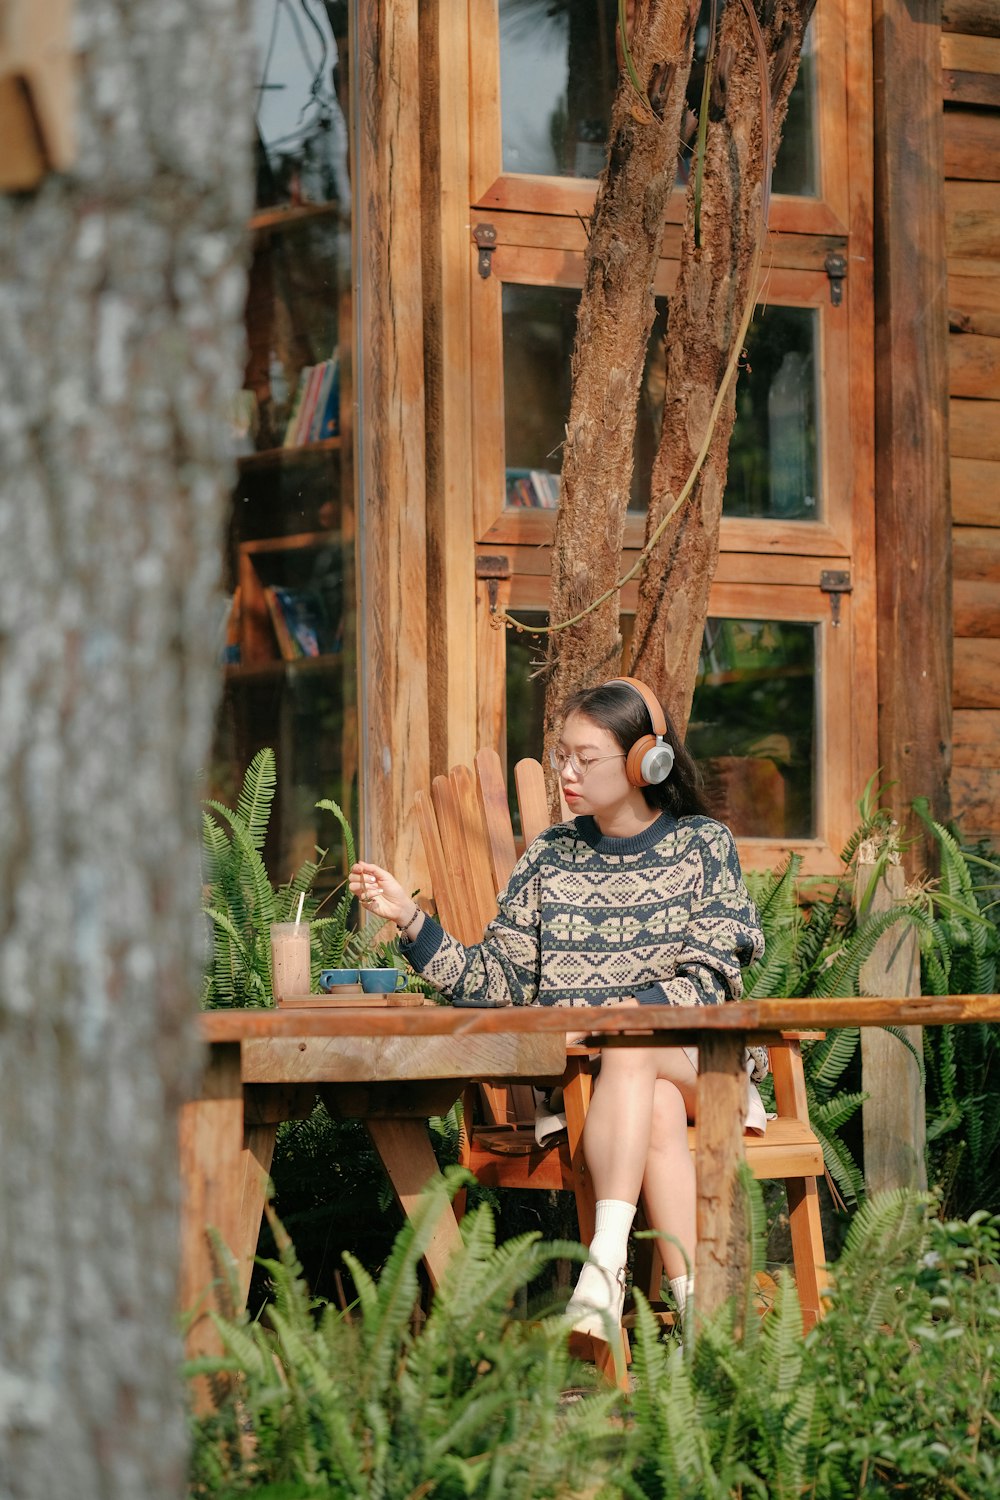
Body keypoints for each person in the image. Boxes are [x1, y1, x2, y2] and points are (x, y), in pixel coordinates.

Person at [348, 677, 765, 1340]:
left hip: (701, 1069)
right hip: (588, 1088)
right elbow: (494, 982)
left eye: (584, 758)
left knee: (632, 1043)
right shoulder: (550, 855)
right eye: (560, 755)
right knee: (644, 1090)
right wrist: (409, 919)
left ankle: (603, 1269)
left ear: (642, 763)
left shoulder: (703, 846)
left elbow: (714, 975)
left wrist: (609, 1018)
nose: (566, 772)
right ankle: (696, 1324)